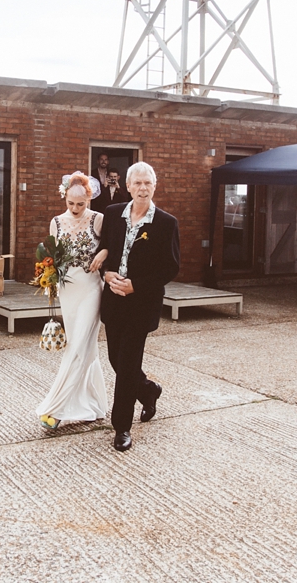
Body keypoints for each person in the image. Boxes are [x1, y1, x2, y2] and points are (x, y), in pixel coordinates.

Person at [96, 161, 180, 452]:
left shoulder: (166, 223)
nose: (143, 188)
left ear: (154, 186)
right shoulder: (111, 214)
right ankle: (148, 390)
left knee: (128, 362)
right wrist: (105, 273)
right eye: (138, 183)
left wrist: (136, 285)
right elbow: (103, 250)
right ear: (128, 186)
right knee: (117, 361)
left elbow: (170, 268)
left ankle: (121, 427)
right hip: (113, 302)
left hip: (141, 304)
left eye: (148, 183)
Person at [36, 171, 110, 430]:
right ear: (64, 197)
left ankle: (56, 408)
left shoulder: (99, 219)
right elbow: (52, 256)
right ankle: (95, 404)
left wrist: (103, 252)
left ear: (89, 199)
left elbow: (114, 243)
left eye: (81, 203)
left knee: (78, 345)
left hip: (91, 288)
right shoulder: (55, 222)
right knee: (86, 348)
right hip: (68, 290)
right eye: (71, 203)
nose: (76, 208)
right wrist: (48, 277)